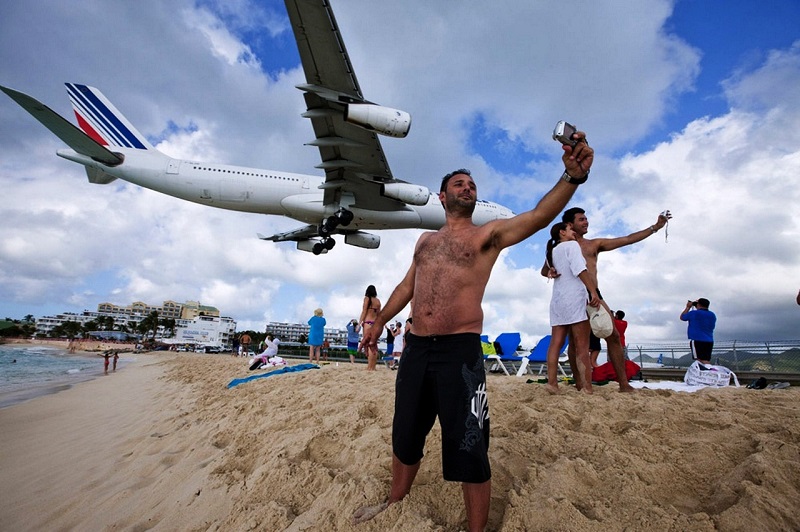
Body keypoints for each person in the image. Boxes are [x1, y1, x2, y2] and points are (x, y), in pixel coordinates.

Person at [353, 129, 593, 531]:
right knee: (406, 430)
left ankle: (476, 528)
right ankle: (396, 498)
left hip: (459, 353)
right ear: (443, 197)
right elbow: (405, 287)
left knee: (469, 440)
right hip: (415, 347)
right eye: (458, 184)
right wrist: (376, 324)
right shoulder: (426, 241)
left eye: (472, 185)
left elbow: (537, 217)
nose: (467, 188)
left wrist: (571, 178)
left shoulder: (488, 235)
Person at [542, 207, 671, 392]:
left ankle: (623, 383)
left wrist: (655, 227)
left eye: (586, 219)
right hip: (574, 295)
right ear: (569, 225)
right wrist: (551, 271)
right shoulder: (562, 247)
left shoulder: (593, 244)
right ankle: (581, 384)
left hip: (593, 293)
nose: (586, 222)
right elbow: (545, 269)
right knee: (576, 342)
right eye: (581, 219)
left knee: (613, 335)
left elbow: (626, 239)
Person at [543, 222, 600, 394]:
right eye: (570, 229)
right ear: (562, 232)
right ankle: (586, 387)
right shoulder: (572, 245)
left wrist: (549, 272)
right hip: (574, 298)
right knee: (582, 345)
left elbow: (543, 271)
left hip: (558, 300)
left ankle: (552, 383)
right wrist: (593, 291)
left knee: (555, 343)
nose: (573, 231)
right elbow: (580, 269)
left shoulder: (552, 250)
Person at [680, 298, 716, 364]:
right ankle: (708, 372)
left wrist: (688, 307)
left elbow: (682, 317)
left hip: (697, 340)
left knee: (699, 360)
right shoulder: (712, 315)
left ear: (698, 304)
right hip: (709, 340)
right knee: (706, 360)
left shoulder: (694, 313)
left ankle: (701, 373)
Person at [359, 285, 382, 371]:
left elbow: (364, 311)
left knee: (368, 345)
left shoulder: (367, 299)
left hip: (368, 323)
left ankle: (369, 366)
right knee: (374, 344)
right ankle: (373, 366)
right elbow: (379, 314)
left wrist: (359, 322)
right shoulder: (378, 301)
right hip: (375, 323)